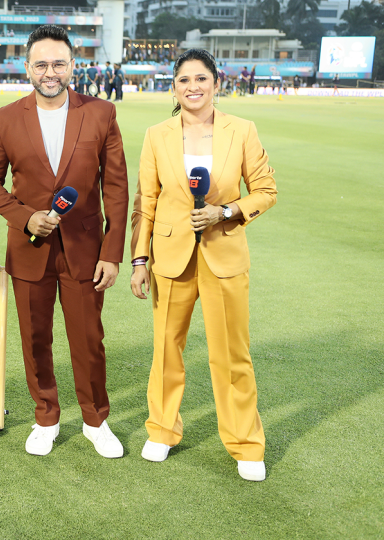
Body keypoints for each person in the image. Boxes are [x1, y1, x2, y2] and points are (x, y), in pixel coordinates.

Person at [0, 25, 129, 458]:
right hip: (30, 251)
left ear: (72, 67)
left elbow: (115, 189)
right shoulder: (6, 117)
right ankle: (46, 416)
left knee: (88, 340)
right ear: (28, 68)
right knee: (34, 339)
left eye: (59, 64)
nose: (50, 72)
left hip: (85, 251)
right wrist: (27, 218)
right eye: (41, 64)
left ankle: (95, 420)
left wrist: (111, 253)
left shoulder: (101, 113)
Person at [129, 48, 277, 482]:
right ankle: (161, 429)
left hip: (224, 255)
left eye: (201, 79)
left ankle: (246, 444)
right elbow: (146, 202)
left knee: (232, 355)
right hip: (170, 258)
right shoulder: (157, 135)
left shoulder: (243, 131)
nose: (192, 87)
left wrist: (227, 211)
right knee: (165, 350)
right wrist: (139, 258)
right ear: (173, 87)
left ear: (217, 83)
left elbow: (265, 190)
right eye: (184, 80)